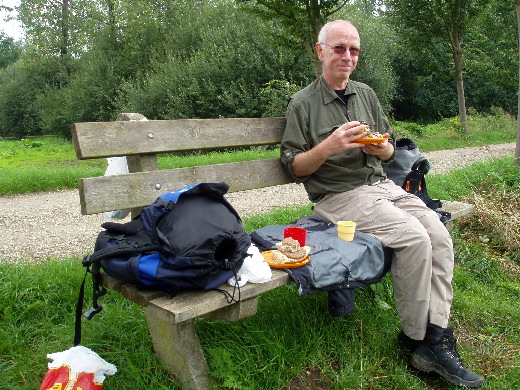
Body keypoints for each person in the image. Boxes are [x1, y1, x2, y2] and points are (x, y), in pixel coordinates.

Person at [280, 19, 484, 388]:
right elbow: (294, 168)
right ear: (320, 50)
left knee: (437, 233)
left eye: (354, 49)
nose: (347, 56)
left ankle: (434, 335)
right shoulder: (303, 103)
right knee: (414, 238)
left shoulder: (366, 94)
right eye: (339, 48)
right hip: (338, 196)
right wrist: (331, 146)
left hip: (381, 187)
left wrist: (382, 147)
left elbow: (390, 151)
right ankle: (415, 338)